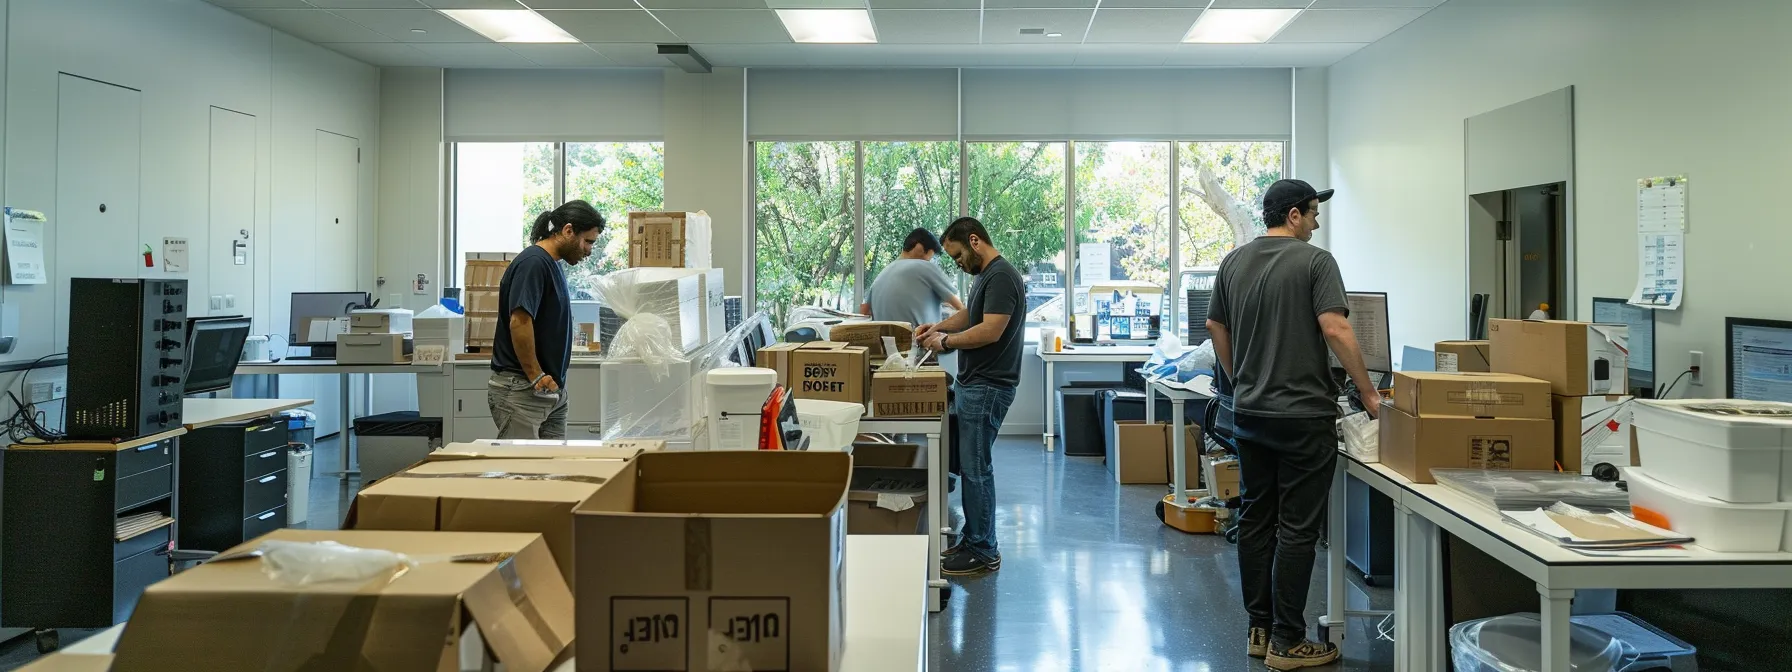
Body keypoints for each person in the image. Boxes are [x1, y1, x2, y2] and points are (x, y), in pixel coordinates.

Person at [1204, 179, 1380, 671]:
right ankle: (1288, 642)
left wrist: (1239, 374)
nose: (1318, 221)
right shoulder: (1316, 262)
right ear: (1294, 215)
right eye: (1313, 212)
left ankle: (1259, 631)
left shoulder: (1234, 261)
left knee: (1257, 519)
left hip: (1251, 414)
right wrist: (1368, 394)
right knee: (1297, 529)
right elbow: (1336, 327)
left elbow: (1214, 325)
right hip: (1303, 416)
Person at [917, 217, 1026, 577]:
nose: (957, 263)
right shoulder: (985, 277)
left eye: (958, 254)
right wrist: (938, 327)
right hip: (975, 384)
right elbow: (970, 315)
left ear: (975, 241)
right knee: (971, 466)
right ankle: (974, 537)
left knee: (977, 470)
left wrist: (945, 343)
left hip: (989, 386)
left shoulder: (1002, 276)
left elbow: (991, 330)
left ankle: (984, 550)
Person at [487, 200, 604, 439]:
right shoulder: (533, 263)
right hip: (523, 387)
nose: (589, 250)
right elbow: (519, 322)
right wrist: (536, 375)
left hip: (548, 389)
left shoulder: (552, 265)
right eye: (588, 241)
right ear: (568, 230)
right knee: (520, 472)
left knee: (551, 470)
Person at [860, 227, 964, 326]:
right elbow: (961, 308)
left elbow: (864, 311)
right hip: (920, 340)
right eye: (930, 257)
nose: (929, 261)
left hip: (885, 342)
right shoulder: (924, 266)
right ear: (919, 247)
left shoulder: (881, 275)